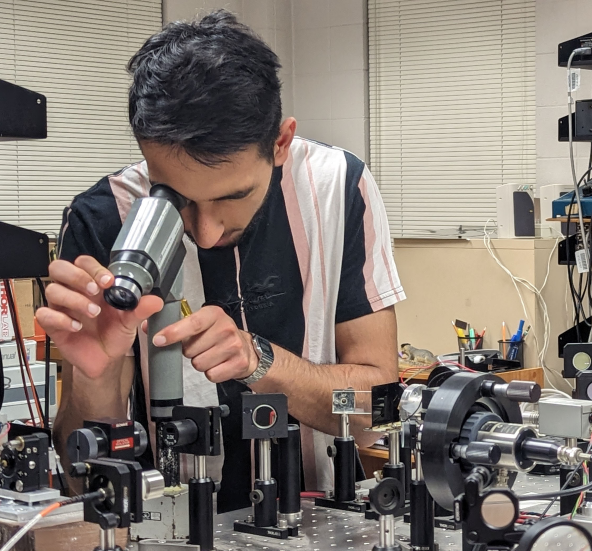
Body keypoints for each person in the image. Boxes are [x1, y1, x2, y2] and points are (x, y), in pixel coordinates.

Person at [36, 10, 405, 511]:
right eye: (178, 198)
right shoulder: (103, 218)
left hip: (318, 522)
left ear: (280, 142)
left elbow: (374, 411)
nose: (205, 234)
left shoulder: (339, 190)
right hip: (164, 532)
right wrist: (96, 381)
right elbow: (83, 480)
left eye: (231, 197)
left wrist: (262, 364)